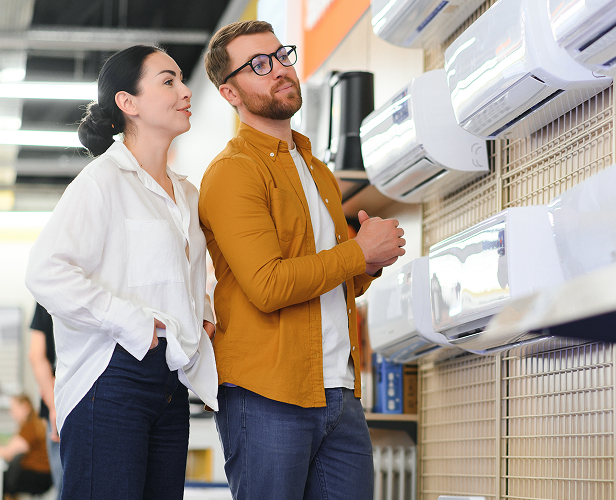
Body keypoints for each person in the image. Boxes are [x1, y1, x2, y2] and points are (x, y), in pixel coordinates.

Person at [200, 20, 406, 500]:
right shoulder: (233, 173)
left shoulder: (317, 170)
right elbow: (268, 286)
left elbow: (333, 282)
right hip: (267, 396)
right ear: (230, 93)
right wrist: (357, 251)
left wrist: (369, 263)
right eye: (259, 64)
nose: (279, 70)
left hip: (339, 391)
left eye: (281, 55)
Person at [25, 45, 218, 500]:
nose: (185, 90)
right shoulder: (102, 181)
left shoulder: (187, 194)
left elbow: (177, 277)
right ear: (128, 104)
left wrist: (201, 312)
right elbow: (45, 272)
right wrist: (134, 321)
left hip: (170, 382)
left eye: (181, 79)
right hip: (109, 381)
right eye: (168, 81)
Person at [27, 302, 62, 498]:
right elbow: (36, 355)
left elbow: (36, 354)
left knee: (68, 488)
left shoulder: (51, 282)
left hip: (61, 404)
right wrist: (56, 405)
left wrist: (54, 405)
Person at [1, 394, 52, 499]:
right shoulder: (30, 424)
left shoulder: (31, 427)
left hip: (39, 475)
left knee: (4, 481)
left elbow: (8, 452)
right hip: (42, 474)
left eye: (14, 409)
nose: (12, 413)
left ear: (25, 407)